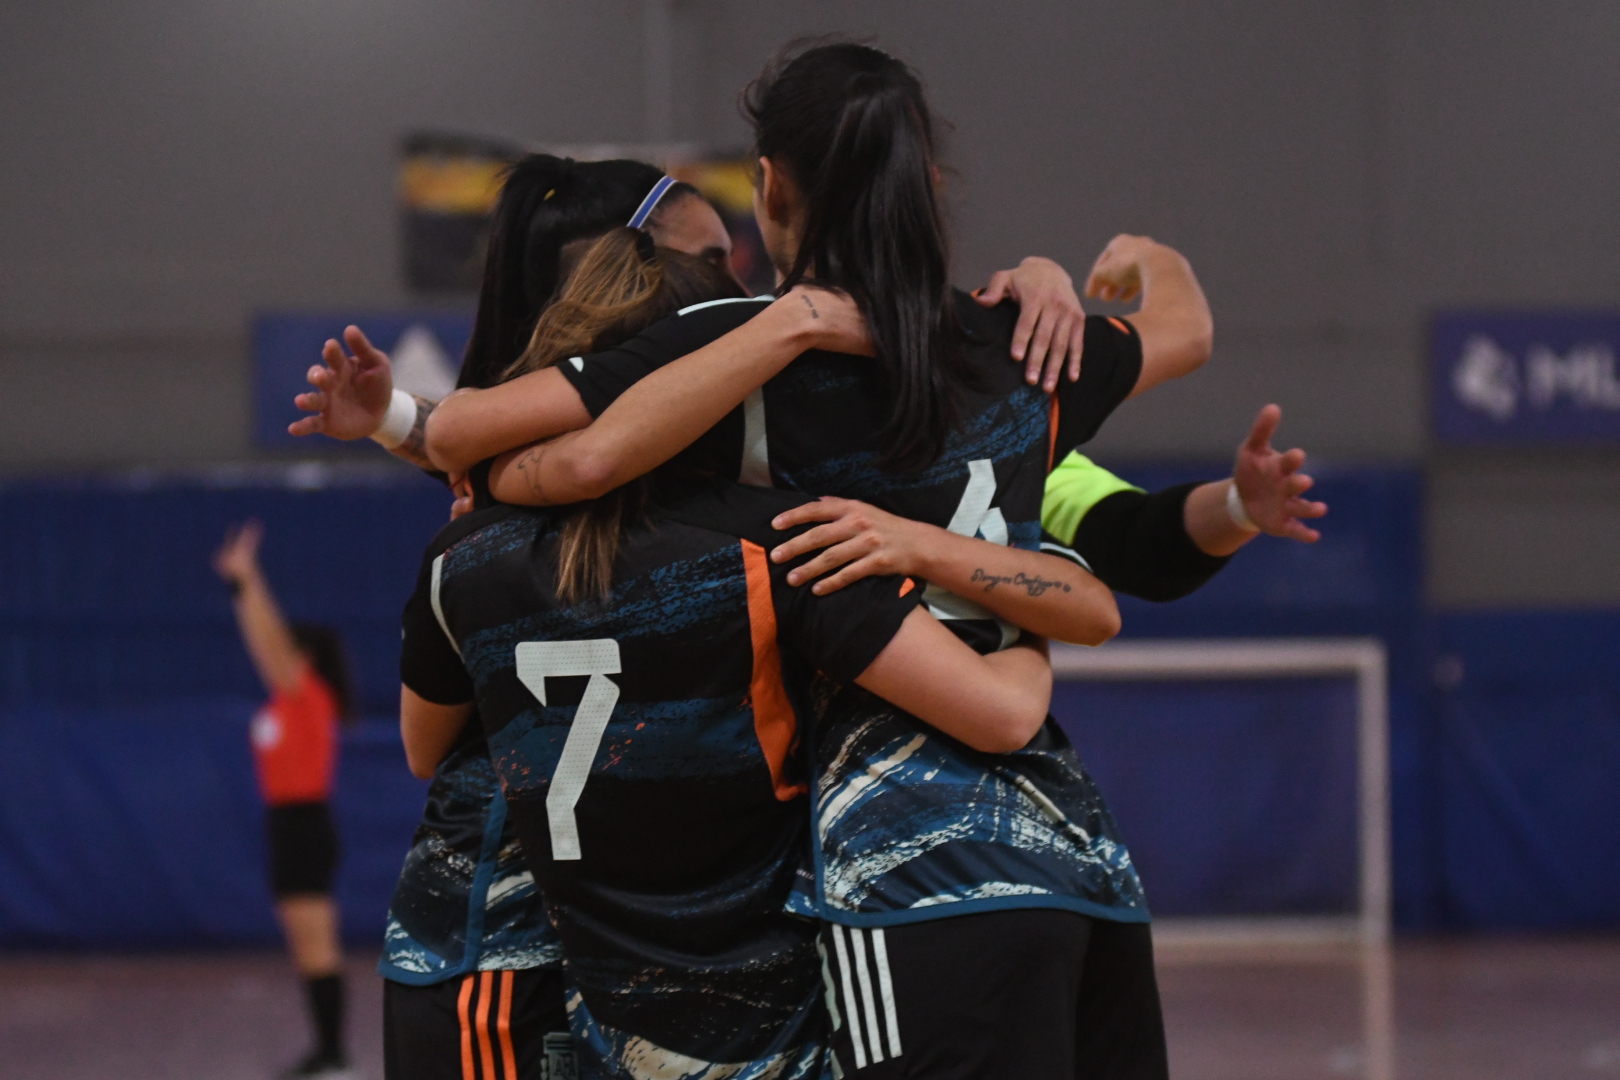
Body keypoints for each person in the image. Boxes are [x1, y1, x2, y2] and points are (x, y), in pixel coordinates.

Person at [414, 40, 1217, 1079]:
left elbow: (492, 441)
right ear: (925, 187)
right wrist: (1129, 256)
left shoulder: (736, 350)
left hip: (894, 853)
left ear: (768, 188)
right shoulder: (1020, 343)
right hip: (1075, 841)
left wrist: (783, 323)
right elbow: (1187, 330)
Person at [290, 153, 1112, 1079]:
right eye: (716, 266)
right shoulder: (776, 541)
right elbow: (1029, 678)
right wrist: (1019, 622)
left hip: (545, 961)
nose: (744, 284)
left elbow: (422, 738)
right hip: (649, 971)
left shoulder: (470, 549)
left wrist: (414, 431)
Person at [213, 521, 357, 1080]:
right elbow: (268, 647)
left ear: (308, 658)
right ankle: (326, 1050)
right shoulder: (284, 702)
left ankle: (335, 1055)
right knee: (306, 948)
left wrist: (247, 581)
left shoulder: (309, 697)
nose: (277, 656)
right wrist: (239, 590)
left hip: (305, 824)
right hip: (285, 824)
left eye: (288, 650)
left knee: (318, 945)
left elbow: (267, 639)